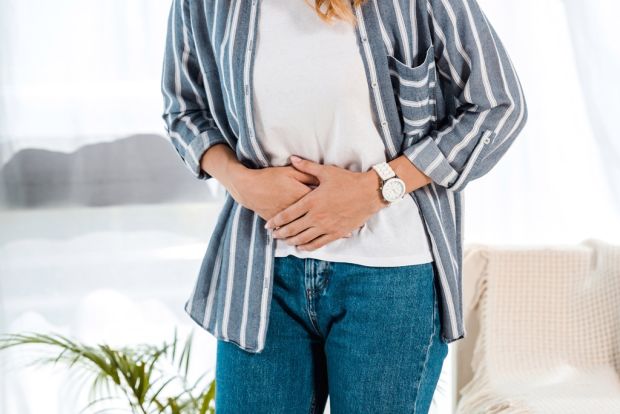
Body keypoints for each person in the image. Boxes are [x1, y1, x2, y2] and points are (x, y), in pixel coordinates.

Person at [160, 0, 528, 412]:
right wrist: (240, 182)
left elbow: (498, 106)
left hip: (390, 279)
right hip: (260, 274)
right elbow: (184, 110)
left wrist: (376, 188)